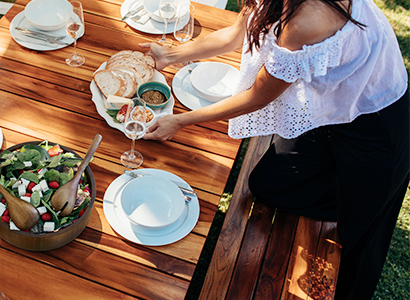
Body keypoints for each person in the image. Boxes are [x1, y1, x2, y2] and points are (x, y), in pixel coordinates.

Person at [138, 0, 409, 298]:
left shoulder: (309, 19)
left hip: (379, 125)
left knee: (359, 237)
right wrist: (169, 55)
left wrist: (180, 121)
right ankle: (350, 194)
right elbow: (234, 35)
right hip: (331, 113)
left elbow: (257, 96)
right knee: (266, 184)